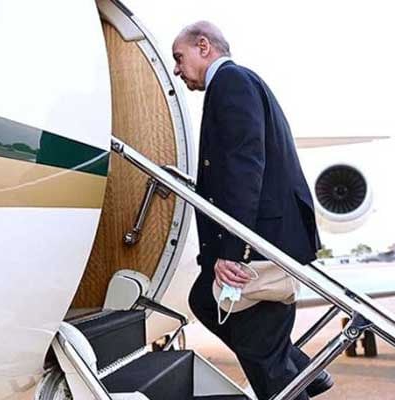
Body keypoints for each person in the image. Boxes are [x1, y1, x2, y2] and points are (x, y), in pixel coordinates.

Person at [172, 21, 332, 400]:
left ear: (204, 46)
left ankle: (300, 374)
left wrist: (234, 252)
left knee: (265, 357)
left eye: (180, 58)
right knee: (205, 302)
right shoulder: (237, 83)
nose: (178, 70)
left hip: (262, 243)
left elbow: (245, 166)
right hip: (267, 236)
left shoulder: (230, 81)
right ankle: (305, 371)